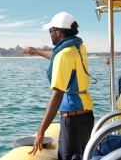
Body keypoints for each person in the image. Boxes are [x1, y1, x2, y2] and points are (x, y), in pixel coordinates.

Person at [22, 12, 94, 160]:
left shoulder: (64, 55)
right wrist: (35, 51)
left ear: (58, 31)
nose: (50, 35)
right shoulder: (78, 47)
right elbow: (55, 54)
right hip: (84, 116)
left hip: (74, 121)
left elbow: (57, 95)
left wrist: (41, 131)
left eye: (50, 31)